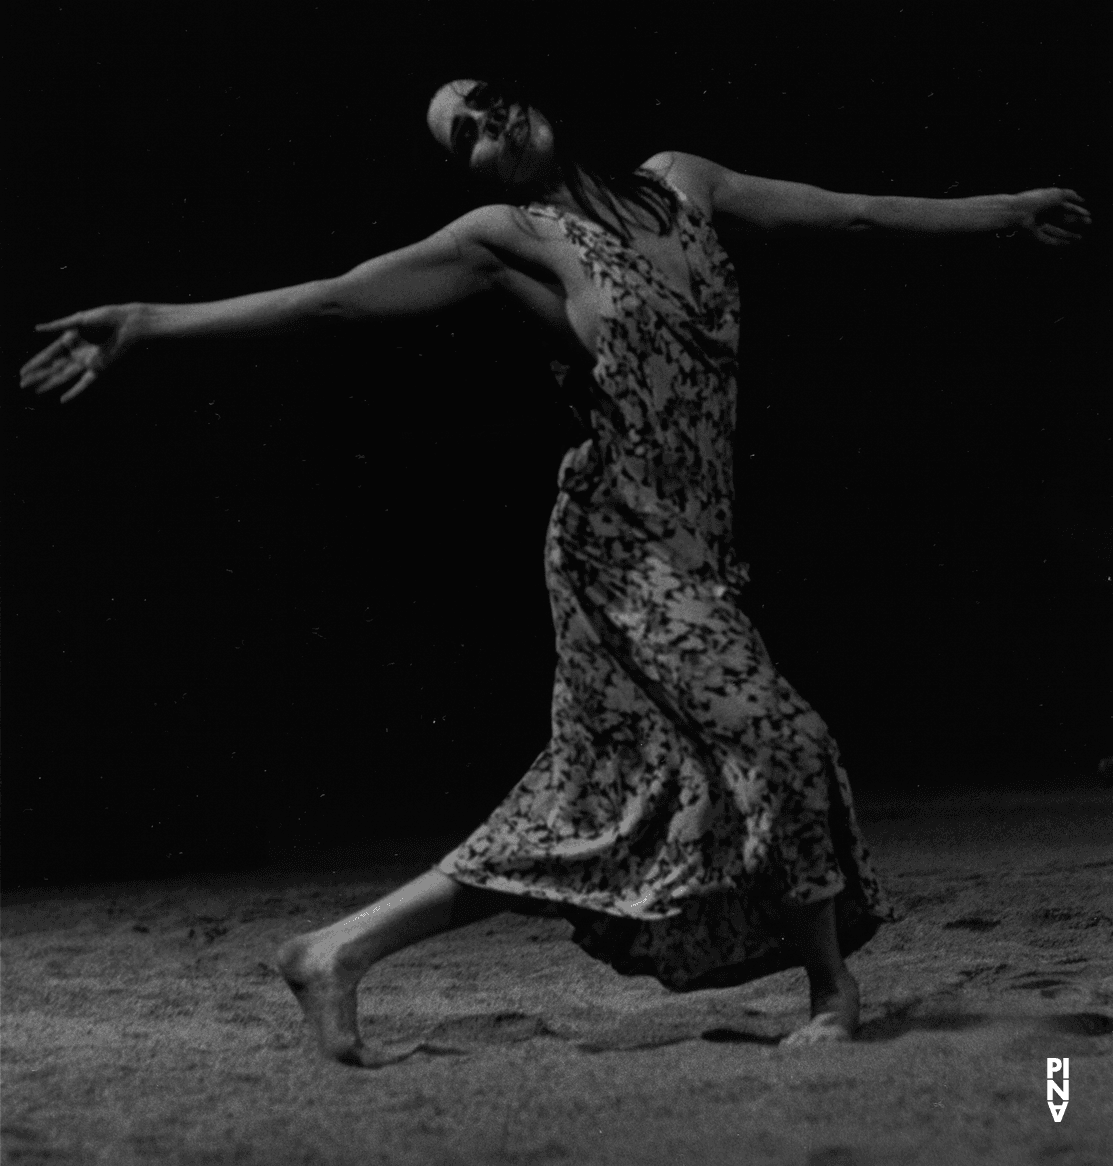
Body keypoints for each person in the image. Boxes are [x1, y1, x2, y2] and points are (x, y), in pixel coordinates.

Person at [20, 78, 1091, 1063]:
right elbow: (334, 298)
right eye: (467, 134)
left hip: (697, 543)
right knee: (780, 734)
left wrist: (996, 211)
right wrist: (154, 322)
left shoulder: (684, 182)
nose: (492, 123)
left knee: (591, 802)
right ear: (472, 173)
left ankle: (334, 951)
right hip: (615, 543)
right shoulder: (511, 238)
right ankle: (830, 995)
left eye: (490, 102)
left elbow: (849, 211)